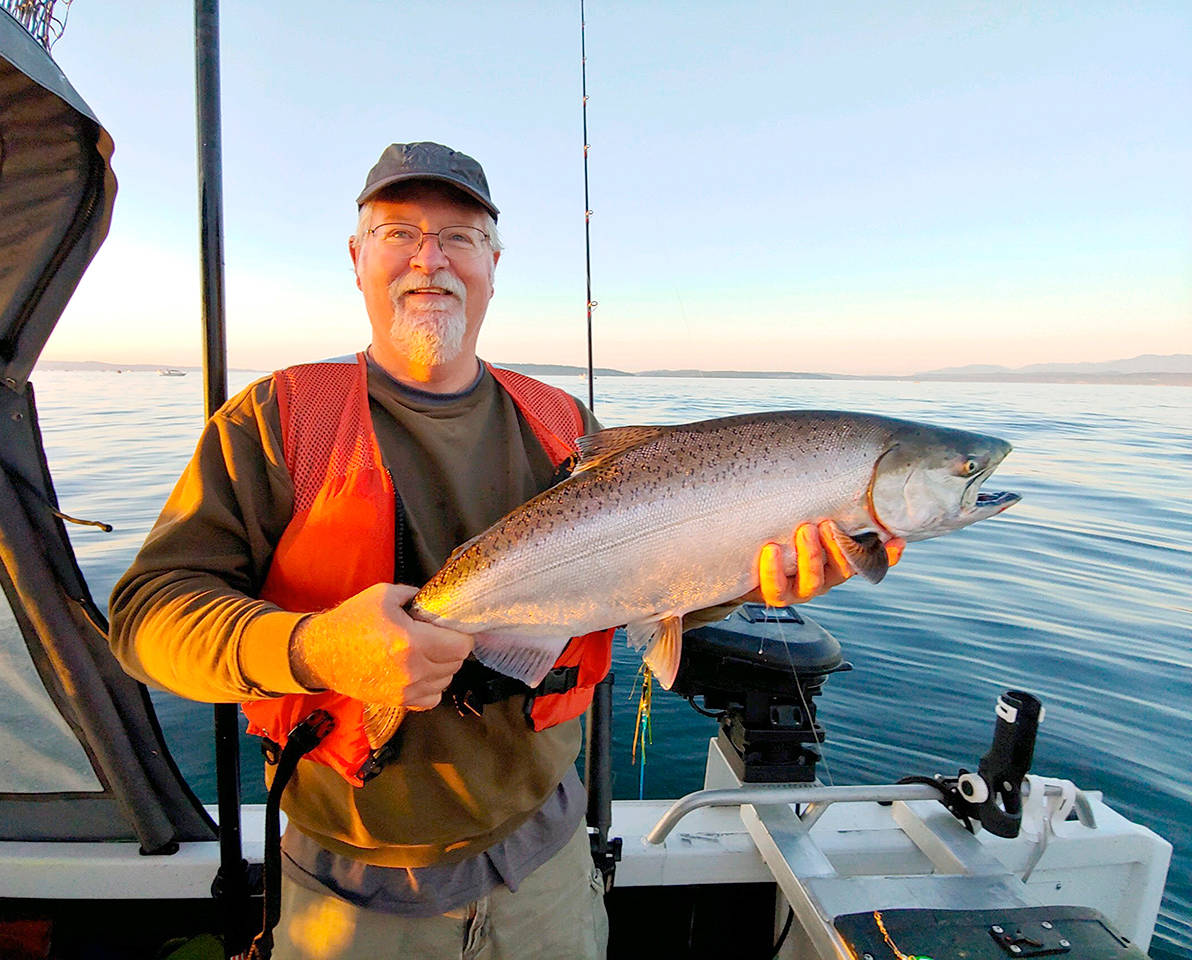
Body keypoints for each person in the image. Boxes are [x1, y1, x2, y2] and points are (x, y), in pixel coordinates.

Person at [108, 141, 902, 959]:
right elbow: (144, 619)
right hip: (351, 893)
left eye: (459, 236)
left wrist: (748, 574)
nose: (430, 259)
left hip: (547, 872)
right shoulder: (277, 419)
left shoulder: (562, 421)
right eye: (398, 232)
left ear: (493, 262)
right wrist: (311, 648)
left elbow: (644, 580)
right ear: (356, 257)